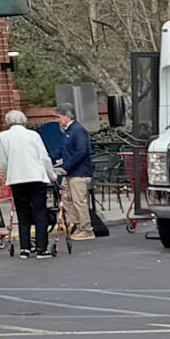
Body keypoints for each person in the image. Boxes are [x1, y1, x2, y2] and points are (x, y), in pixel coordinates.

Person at [0, 105, 57, 257]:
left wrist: (8, 174)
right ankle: (41, 248)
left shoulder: (3, 137)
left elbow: (3, 161)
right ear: (24, 121)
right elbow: (44, 158)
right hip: (36, 177)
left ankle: (25, 248)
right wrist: (52, 175)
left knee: (22, 213)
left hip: (16, 179)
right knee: (40, 213)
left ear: (8, 122)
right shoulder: (33, 135)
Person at [49, 102, 105, 240]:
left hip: (78, 172)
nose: (58, 120)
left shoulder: (78, 130)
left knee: (79, 200)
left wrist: (66, 167)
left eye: (59, 117)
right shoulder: (69, 131)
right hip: (70, 172)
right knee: (67, 198)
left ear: (67, 116)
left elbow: (81, 151)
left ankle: (86, 228)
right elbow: (65, 151)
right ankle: (77, 223)